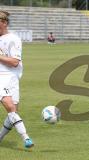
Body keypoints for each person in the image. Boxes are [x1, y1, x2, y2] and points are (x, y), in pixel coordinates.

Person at [0, 10, 34, 148]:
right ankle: (26, 138)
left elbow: (14, 62)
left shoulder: (13, 39)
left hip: (12, 77)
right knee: (9, 106)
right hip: (0, 76)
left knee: (13, 112)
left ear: (4, 23)